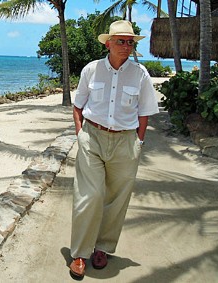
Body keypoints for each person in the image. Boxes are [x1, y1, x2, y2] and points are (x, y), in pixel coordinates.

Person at [69, 20, 159, 278]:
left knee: (117, 199)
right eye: (121, 41)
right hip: (93, 138)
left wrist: (138, 142)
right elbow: (78, 106)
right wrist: (80, 134)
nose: (126, 46)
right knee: (90, 196)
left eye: (130, 42)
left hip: (125, 141)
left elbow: (145, 112)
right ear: (108, 44)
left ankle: (103, 248)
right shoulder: (91, 70)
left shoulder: (140, 74)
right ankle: (79, 253)